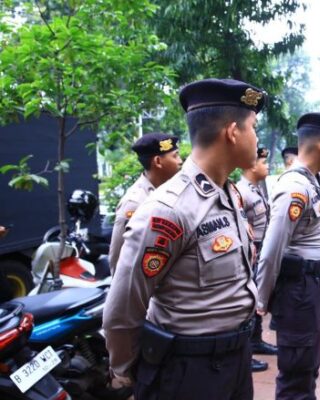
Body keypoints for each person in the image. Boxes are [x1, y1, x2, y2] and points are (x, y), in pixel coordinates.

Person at [103, 78, 266, 400]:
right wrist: (126, 373)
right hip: (189, 372)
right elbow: (123, 309)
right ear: (233, 132)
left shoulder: (228, 193)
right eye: (253, 127)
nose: (256, 137)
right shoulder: (169, 210)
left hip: (235, 359)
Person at [255, 112, 320, 400]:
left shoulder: (312, 180)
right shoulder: (295, 187)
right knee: (296, 370)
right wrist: (262, 298)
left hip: (310, 286)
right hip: (297, 290)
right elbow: (271, 250)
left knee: (307, 366)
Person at [108, 132, 182, 274]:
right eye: (175, 156)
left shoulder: (171, 190)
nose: (180, 161)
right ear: (158, 162)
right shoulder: (134, 203)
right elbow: (117, 259)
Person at [238, 147, 277, 373]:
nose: (267, 166)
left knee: (259, 299)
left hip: (261, 250)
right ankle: (247, 351)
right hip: (253, 250)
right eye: (263, 162)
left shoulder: (257, 189)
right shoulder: (241, 191)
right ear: (252, 165)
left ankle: (257, 340)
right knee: (249, 301)